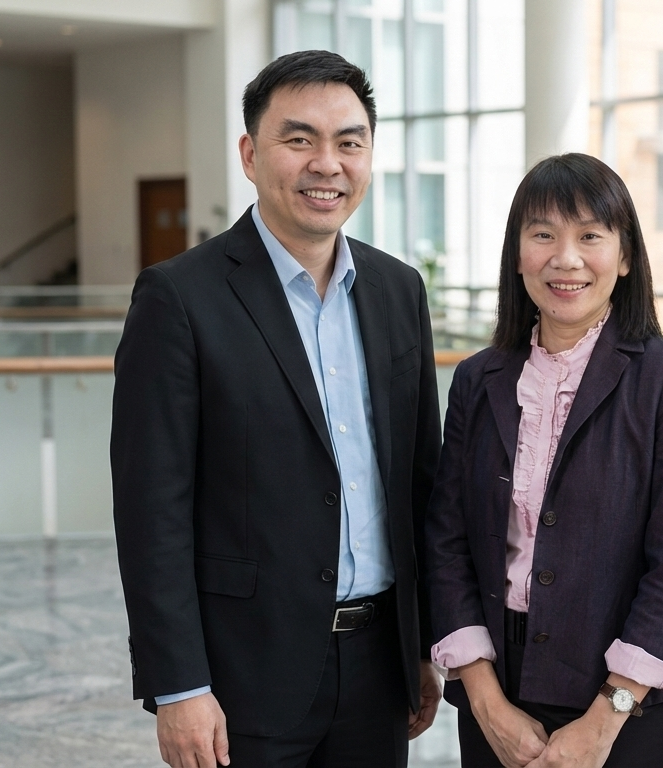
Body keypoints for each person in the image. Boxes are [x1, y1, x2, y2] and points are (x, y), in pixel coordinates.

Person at [111, 50, 442, 768]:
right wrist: (180, 685)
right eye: (299, 139)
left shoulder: (398, 290)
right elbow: (151, 511)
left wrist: (423, 644)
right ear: (250, 154)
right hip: (242, 676)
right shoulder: (179, 298)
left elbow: (419, 480)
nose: (327, 164)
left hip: (380, 668)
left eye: (349, 142)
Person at [425, 153, 663, 768]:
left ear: (625, 255)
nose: (566, 258)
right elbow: (446, 541)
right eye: (543, 235)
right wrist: (484, 699)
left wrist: (607, 716)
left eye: (590, 236)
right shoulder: (478, 380)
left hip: (622, 699)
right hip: (495, 688)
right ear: (517, 253)